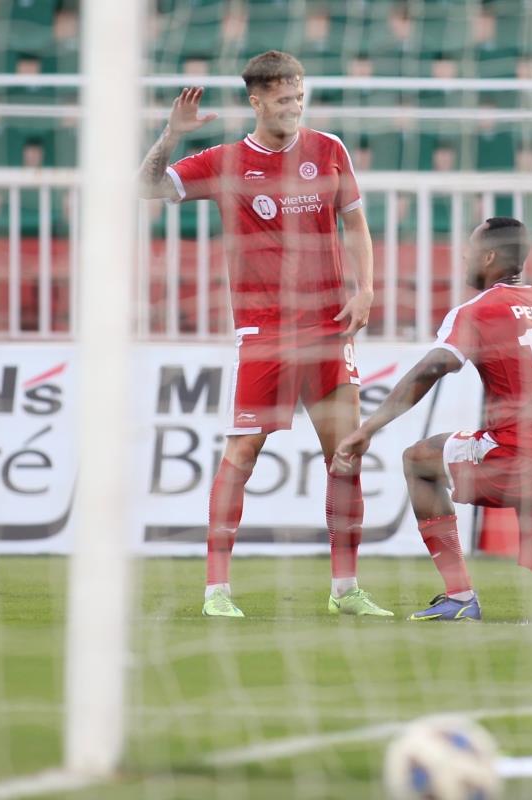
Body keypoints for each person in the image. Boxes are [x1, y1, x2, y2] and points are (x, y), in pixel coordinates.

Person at [138, 50, 392, 618]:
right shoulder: (226, 161)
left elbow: (354, 221)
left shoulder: (329, 151)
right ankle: (216, 591)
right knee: (244, 452)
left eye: (300, 97)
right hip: (266, 332)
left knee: (347, 454)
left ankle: (345, 589)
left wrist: (366, 288)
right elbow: (146, 188)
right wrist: (170, 136)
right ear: (256, 101)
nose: (294, 108)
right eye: (283, 100)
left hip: (329, 327)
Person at [331, 217, 532, 625]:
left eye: (469, 251)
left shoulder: (478, 310)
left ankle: (460, 596)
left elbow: (431, 369)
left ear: (488, 257)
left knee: (419, 460)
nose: (464, 257)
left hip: (517, 455)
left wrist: (367, 429)